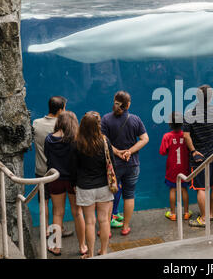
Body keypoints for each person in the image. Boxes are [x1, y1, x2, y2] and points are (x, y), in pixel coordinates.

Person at [101, 91, 149, 236]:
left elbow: (103, 140)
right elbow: (145, 139)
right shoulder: (135, 119)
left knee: (109, 196)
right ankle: (125, 227)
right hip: (132, 164)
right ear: (128, 104)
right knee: (129, 195)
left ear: (115, 101)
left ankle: (106, 229)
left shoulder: (106, 119)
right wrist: (129, 151)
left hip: (113, 165)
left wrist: (117, 152)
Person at [70, 111, 115, 258]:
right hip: (103, 187)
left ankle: (90, 254)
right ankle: (104, 251)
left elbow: (73, 168)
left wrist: (73, 184)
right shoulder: (104, 141)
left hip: (85, 187)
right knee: (104, 220)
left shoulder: (77, 143)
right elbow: (112, 164)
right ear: (97, 125)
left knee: (89, 222)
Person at [184, 69, 213, 228]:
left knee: (201, 187)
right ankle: (211, 214)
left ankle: (204, 217)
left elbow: (186, 136)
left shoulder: (189, 113)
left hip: (198, 156)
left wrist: (193, 151)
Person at [44, 111, 87, 256]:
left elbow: (46, 156)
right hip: (73, 181)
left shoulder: (49, 139)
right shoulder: (76, 140)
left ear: (59, 122)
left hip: (55, 179)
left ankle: (55, 247)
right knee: (78, 212)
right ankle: (82, 246)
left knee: (57, 212)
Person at [33, 96, 73, 238]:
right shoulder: (65, 127)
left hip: (41, 171)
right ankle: (59, 230)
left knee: (43, 203)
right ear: (61, 109)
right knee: (58, 208)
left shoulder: (36, 124)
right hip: (58, 173)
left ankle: (45, 232)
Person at [159, 112, 191, 221]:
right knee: (184, 189)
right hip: (184, 167)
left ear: (170, 124)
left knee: (172, 189)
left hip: (172, 168)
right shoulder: (186, 136)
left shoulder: (167, 136)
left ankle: (172, 214)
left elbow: (162, 152)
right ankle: (186, 212)